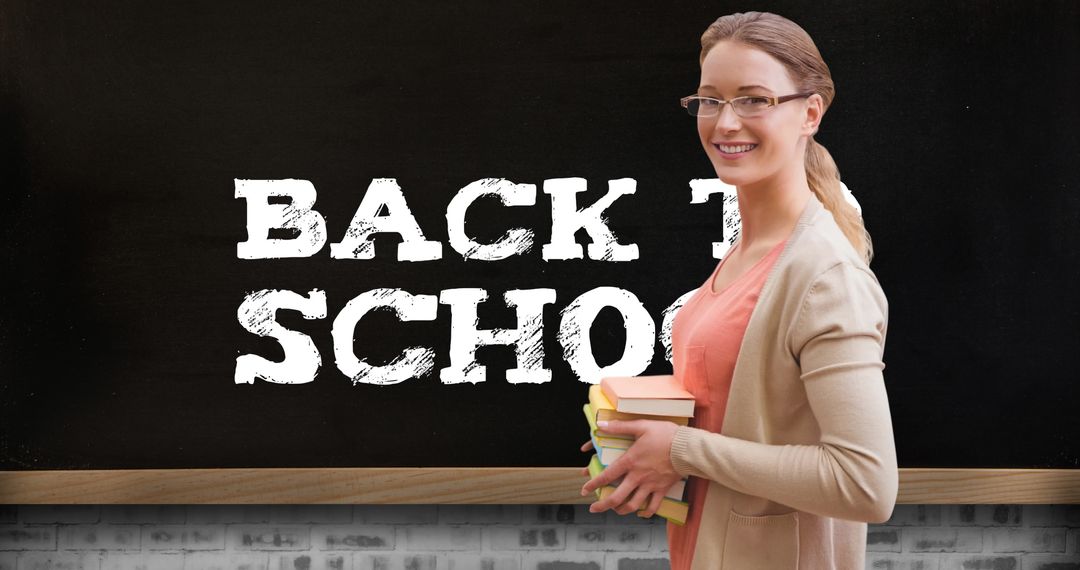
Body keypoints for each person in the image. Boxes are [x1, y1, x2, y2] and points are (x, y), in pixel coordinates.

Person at [579, 11, 898, 569]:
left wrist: (681, 450)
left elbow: (865, 484)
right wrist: (643, 432)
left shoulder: (826, 277)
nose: (725, 123)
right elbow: (748, 410)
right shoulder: (750, 253)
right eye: (710, 100)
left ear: (810, 113)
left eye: (754, 99)